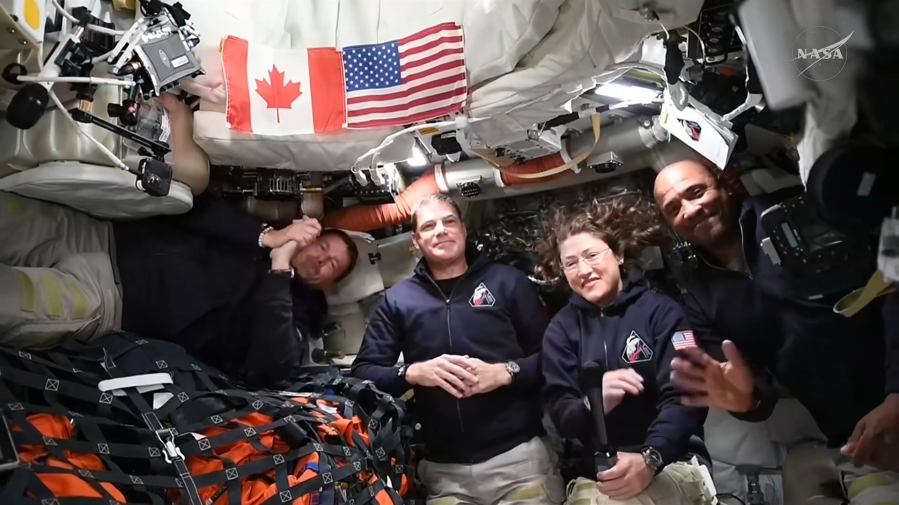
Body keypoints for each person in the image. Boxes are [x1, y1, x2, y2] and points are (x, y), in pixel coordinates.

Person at [653, 160, 899, 502]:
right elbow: (752, 390)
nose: (691, 210)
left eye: (696, 192)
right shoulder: (699, 295)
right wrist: (744, 400)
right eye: (674, 208)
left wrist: (896, 393)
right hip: (860, 438)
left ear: (724, 184)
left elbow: (891, 283)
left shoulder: (799, 211)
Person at [0, 190, 358, 386]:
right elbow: (192, 207)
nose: (322, 259)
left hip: (111, 298)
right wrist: (267, 237)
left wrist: (280, 269)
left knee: (11, 298)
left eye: (333, 266)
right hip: (101, 235)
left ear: (330, 284)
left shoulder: (295, 318)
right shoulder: (260, 230)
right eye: (324, 247)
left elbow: (271, 367)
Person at [352, 193, 564, 505]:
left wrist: (507, 372)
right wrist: (412, 373)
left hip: (519, 460)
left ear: (463, 231)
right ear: (416, 241)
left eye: (449, 221)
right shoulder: (398, 301)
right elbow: (362, 375)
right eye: (429, 226)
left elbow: (555, 357)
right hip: (444, 473)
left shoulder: (507, 281)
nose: (441, 230)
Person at [536, 195, 714, 505]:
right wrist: (593, 403)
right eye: (571, 263)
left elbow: (687, 399)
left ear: (618, 254)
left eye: (592, 255)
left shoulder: (662, 313)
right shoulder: (560, 330)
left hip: (672, 460)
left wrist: (651, 458)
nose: (583, 270)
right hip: (599, 473)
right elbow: (562, 415)